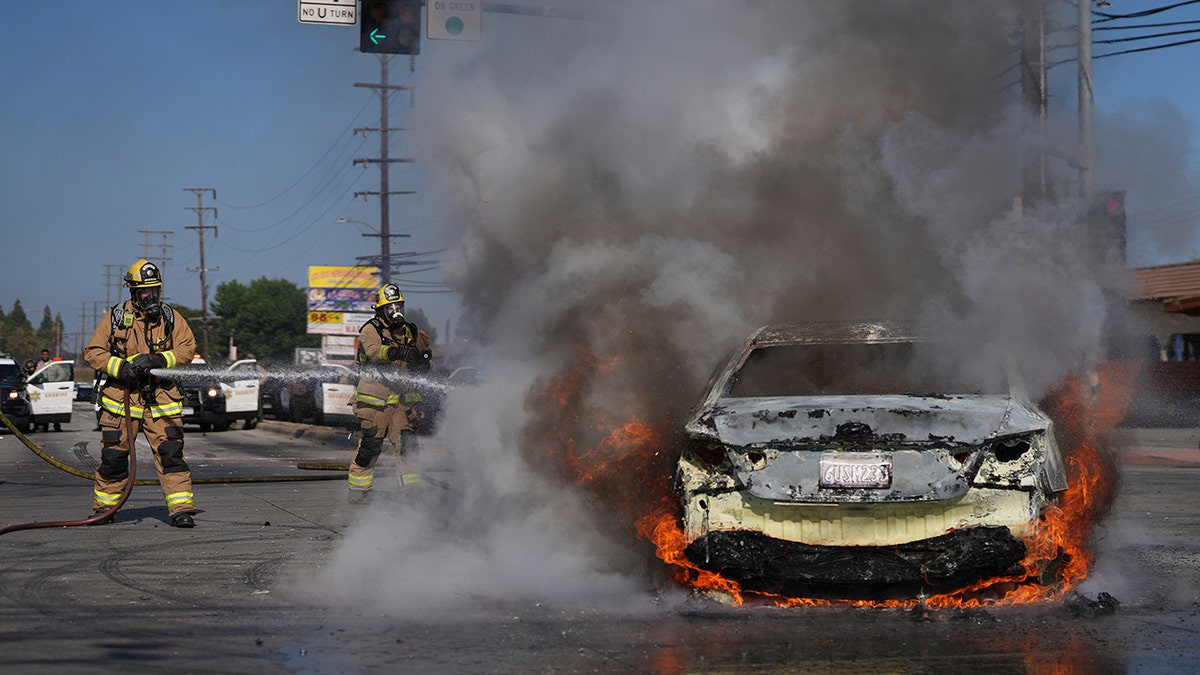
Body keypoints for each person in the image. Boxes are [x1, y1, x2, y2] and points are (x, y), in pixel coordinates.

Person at [83, 259, 199, 527]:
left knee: (171, 455)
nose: (151, 296)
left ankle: (181, 509)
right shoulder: (116, 317)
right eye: (145, 292)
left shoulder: (170, 317)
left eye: (155, 290)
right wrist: (120, 367)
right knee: (113, 458)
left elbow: (187, 349)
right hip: (121, 401)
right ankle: (105, 509)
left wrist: (160, 360)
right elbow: (93, 352)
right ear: (133, 292)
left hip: (161, 401)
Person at [346, 283, 433, 503]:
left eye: (399, 306)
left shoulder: (412, 332)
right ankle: (359, 492)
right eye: (391, 308)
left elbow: (426, 359)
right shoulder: (370, 330)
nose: (396, 312)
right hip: (375, 401)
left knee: (408, 446)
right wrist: (398, 351)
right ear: (381, 310)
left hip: (402, 402)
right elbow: (375, 352)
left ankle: (411, 493)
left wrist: (421, 362)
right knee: (370, 446)